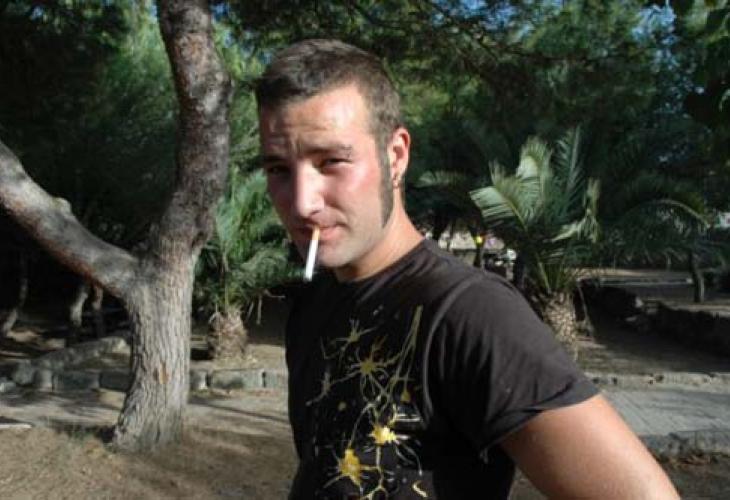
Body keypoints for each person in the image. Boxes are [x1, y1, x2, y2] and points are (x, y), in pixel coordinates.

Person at [255, 39, 679, 499]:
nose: (301, 202)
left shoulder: (471, 313)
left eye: (332, 161)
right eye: (279, 169)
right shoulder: (316, 299)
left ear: (395, 156)